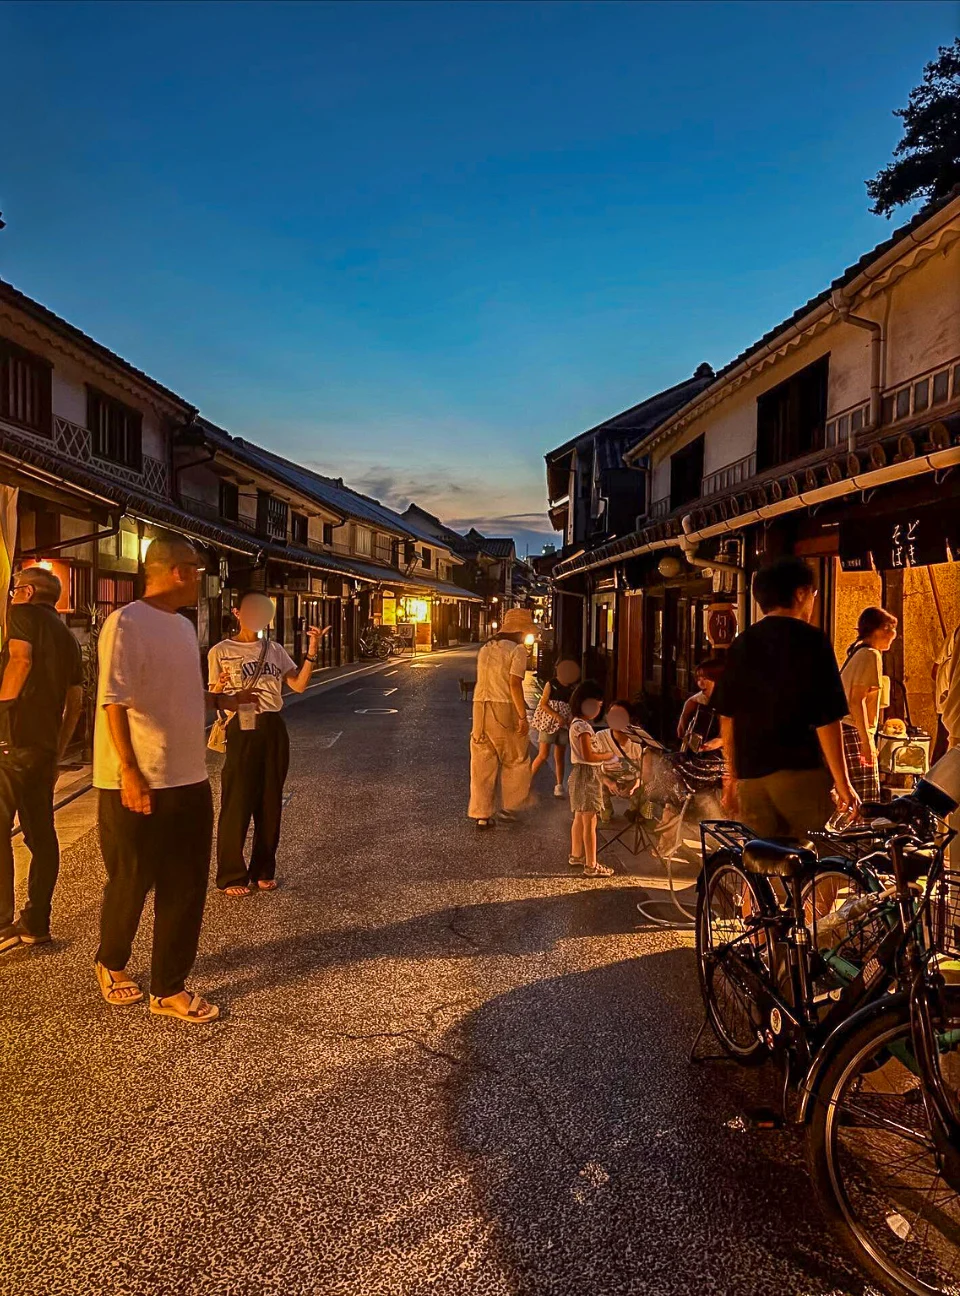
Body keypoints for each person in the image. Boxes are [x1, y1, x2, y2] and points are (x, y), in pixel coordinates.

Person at [93, 535, 253, 1023]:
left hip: (189, 776)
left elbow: (180, 691)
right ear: (176, 570)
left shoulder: (184, 627)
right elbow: (113, 701)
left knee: (185, 886)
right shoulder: (126, 623)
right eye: (198, 569)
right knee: (131, 880)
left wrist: (219, 702)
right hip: (135, 778)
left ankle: (168, 986)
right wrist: (129, 771)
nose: (202, 578)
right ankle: (112, 961)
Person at [713, 556, 857, 841]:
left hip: (751, 777)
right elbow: (827, 718)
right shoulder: (812, 640)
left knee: (759, 859)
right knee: (820, 861)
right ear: (801, 594)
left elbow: (727, 716)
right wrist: (843, 782)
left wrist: (729, 779)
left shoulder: (742, 643)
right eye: (813, 594)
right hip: (800, 772)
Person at [209, 592, 330, 896]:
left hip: (273, 724)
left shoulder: (274, 649)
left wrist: (312, 650)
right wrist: (222, 683)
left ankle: (263, 868)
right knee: (237, 800)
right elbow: (214, 692)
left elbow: (299, 685)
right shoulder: (220, 650)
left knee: (270, 801)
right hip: (242, 722)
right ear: (237, 612)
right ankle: (231, 875)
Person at [0, 566, 83, 955]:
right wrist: (58, 748)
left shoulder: (21, 615)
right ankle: (37, 921)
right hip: (43, 749)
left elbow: (20, 660)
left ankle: (2, 925)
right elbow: (76, 701)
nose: (12, 594)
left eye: (15, 589)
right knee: (41, 835)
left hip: (10, 741)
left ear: (28, 592)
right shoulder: (68, 638)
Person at [467, 607, 536, 830]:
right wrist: (522, 716)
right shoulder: (517, 650)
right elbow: (514, 684)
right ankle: (512, 807)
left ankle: (482, 815)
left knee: (481, 762)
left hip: (479, 708)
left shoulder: (487, 647)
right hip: (504, 706)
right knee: (515, 758)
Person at [840, 607, 898, 802]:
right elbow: (857, 700)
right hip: (854, 730)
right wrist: (866, 743)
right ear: (880, 629)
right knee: (865, 798)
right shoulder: (870, 654)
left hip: (850, 729)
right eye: (891, 628)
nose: (894, 635)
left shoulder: (860, 651)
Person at [568, 680, 614, 878]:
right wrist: (607, 755)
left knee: (579, 816)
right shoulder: (584, 728)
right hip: (588, 774)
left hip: (579, 773)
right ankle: (591, 864)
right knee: (590, 821)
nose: (597, 709)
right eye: (596, 704)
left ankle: (576, 855)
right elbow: (588, 756)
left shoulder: (576, 724)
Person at [530, 658, 580, 797]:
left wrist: (569, 720)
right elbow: (543, 703)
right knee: (543, 754)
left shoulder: (571, 688)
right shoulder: (551, 684)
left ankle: (559, 786)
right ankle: (527, 780)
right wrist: (556, 716)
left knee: (560, 756)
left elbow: (572, 707)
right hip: (548, 723)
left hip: (563, 725)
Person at [676, 658, 726, 753]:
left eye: (705, 679)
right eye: (699, 679)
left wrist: (720, 741)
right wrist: (683, 717)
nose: (701, 684)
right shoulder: (706, 695)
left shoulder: (730, 701)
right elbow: (691, 700)